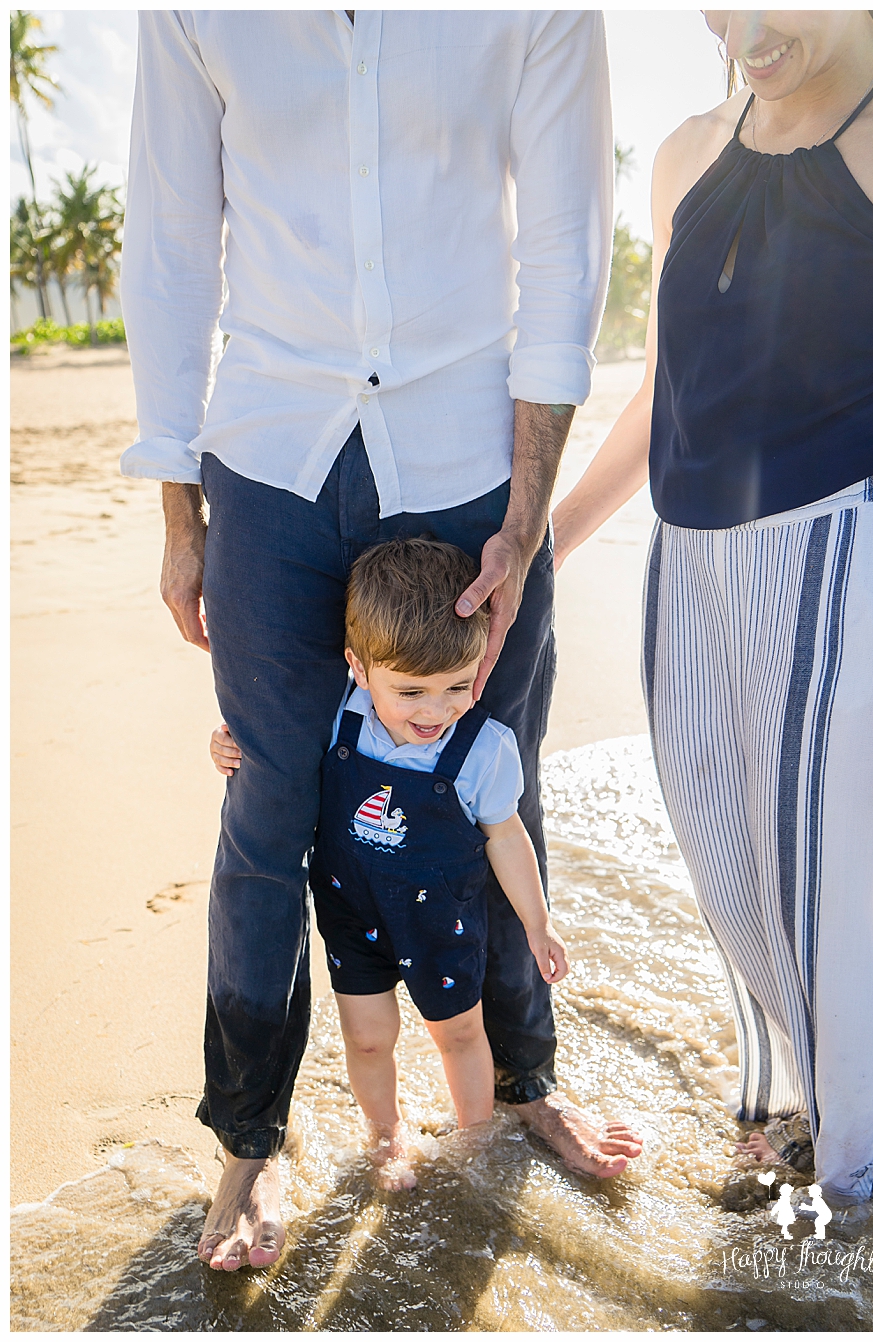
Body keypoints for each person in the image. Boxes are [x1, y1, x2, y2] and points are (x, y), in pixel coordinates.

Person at [119, 11, 642, 1272]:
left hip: (472, 459)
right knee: (268, 803)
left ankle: (522, 1082)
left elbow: (566, 239)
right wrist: (180, 510)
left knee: (489, 783)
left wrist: (525, 511)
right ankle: (248, 1140)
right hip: (268, 452)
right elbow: (175, 236)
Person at [552, 10, 873, 1208]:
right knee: (724, 858)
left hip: (834, 550)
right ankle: (799, 1110)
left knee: (815, 885)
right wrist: (542, 548)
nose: (744, 25)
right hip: (682, 560)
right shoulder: (688, 150)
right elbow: (662, 385)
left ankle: (854, 1198)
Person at [211, 538, 582, 1197]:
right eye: (409, 691)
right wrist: (228, 743)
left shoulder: (484, 749)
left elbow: (506, 835)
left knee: (460, 1034)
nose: (434, 712)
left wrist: (537, 923)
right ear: (358, 666)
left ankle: (474, 1144)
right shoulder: (338, 718)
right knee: (368, 1036)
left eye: (456, 687)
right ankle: (385, 1134)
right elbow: (270, 748)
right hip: (353, 913)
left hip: (441, 921)